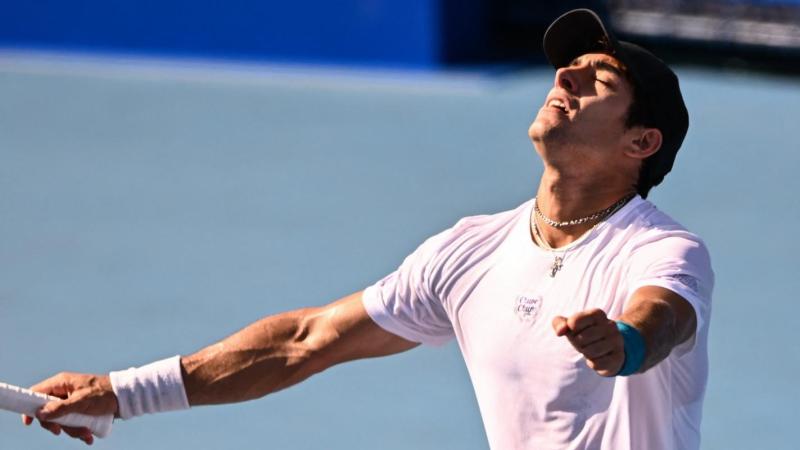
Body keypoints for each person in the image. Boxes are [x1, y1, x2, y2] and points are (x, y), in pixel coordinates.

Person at [23, 9, 713, 450]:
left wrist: (621, 342)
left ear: (641, 142)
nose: (566, 72)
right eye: (571, 64)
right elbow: (303, 342)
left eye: (598, 80)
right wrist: (121, 391)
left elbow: (663, 322)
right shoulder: (469, 251)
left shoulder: (661, 250)